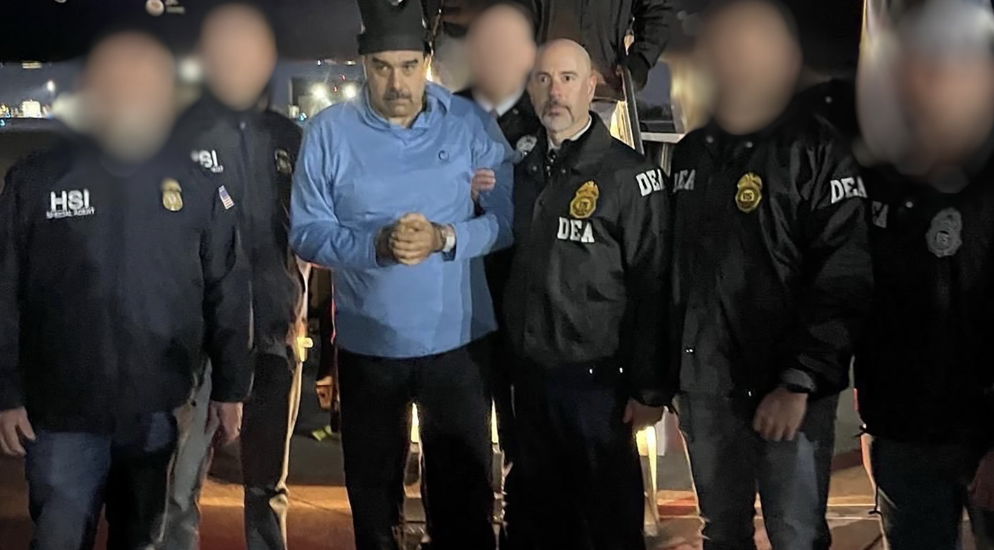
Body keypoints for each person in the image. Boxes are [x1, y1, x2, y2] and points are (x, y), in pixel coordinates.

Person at [0, 27, 250, 550]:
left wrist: (231, 389)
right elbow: (4, 293)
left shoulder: (199, 187)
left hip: (157, 410)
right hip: (60, 414)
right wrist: (7, 394)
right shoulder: (35, 181)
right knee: (58, 538)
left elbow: (227, 290)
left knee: (141, 539)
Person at [288, 0, 514, 548]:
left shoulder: (470, 124)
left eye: (409, 66)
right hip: (368, 349)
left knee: (464, 510)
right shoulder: (327, 133)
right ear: (363, 64)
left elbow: (507, 221)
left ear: (428, 61)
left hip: (458, 347)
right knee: (373, 511)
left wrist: (446, 237)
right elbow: (306, 233)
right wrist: (376, 246)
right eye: (382, 67)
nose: (397, 83)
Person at [668, 1, 873, 549]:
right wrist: (671, 377)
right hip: (707, 390)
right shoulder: (690, 155)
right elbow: (670, 273)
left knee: (796, 535)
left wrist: (800, 380)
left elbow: (843, 275)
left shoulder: (819, 150)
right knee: (721, 533)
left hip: (786, 394)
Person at [501, 39, 670, 550]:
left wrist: (649, 389)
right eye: (544, 79)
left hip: (598, 389)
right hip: (530, 384)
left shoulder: (629, 175)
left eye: (568, 78)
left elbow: (654, 284)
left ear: (592, 86)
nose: (555, 91)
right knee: (533, 526)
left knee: (606, 528)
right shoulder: (520, 170)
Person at [158, 4, 308, 550]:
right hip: (200, 341)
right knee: (179, 488)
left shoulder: (290, 138)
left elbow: (313, 230)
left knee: (267, 487)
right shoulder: (177, 135)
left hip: (272, 334)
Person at [855, 2, 994, 548]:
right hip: (903, 434)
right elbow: (866, 300)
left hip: (981, 430)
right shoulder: (878, 172)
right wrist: (873, 423)